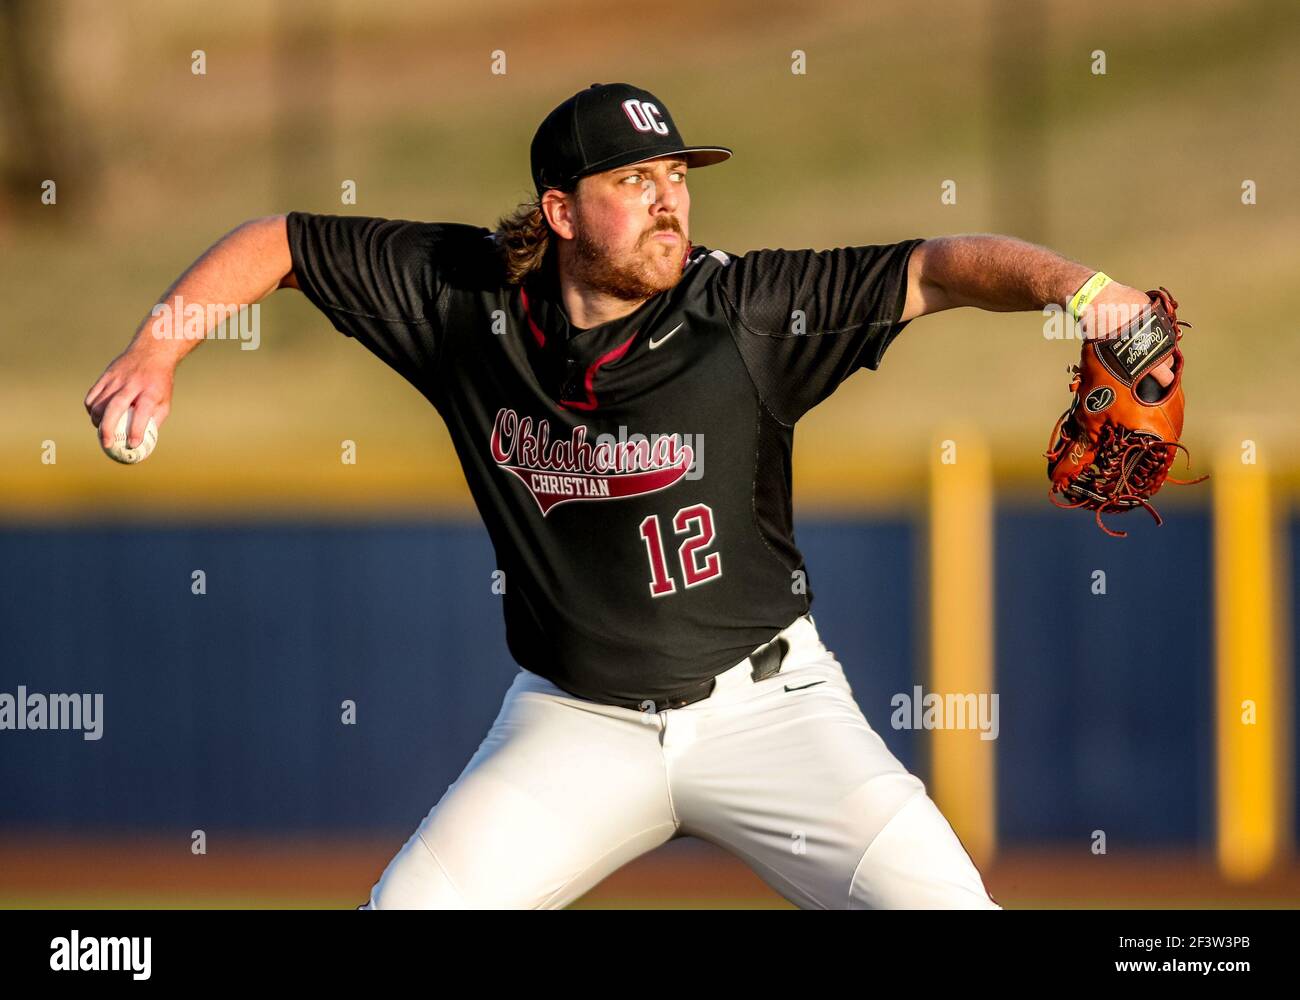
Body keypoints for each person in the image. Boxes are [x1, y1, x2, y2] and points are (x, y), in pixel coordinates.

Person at [85, 82, 1171, 909]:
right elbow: (279, 243)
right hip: (574, 721)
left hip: (773, 713)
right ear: (558, 210)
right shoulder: (467, 303)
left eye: (679, 177)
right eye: (634, 182)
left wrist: (1082, 291)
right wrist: (157, 351)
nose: (669, 203)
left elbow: (937, 267)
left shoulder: (747, 311)